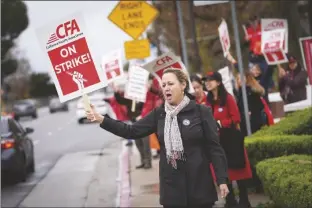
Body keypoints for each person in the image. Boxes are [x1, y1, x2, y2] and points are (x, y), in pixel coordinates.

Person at [86, 68, 229, 208]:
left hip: (200, 187)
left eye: (171, 84)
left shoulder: (201, 112)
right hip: (172, 191)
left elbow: (214, 148)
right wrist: (101, 119)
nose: (166, 88)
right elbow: (131, 131)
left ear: (183, 85)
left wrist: (222, 179)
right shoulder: (159, 115)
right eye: (164, 85)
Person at [203, 71, 253, 208]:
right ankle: (230, 201)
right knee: (224, 171)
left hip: (231, 139)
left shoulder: (228, 98)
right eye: (206, 80)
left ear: (218, 82)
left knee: (238, 169)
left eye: (210, 80)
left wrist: (220, 123)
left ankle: (244, 200)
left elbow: (236, 118)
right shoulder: (207, 101)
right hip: (217, 142)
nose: (207, 83)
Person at [111, 84, 152, 169]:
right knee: (138, 144)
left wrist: (142, 115)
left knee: (145, 144)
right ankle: (143, 161)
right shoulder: (130, 100)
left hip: (144, 124)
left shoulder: (144, 98)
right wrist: (116, 92)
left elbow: (149, 107)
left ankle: (148, 162)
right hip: (134, 124)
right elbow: (120, 101)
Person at [235, 72, 266, 137]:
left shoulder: (251, 92)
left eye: (241, 78)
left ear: (247, 79)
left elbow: (259, 106)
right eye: (238, 79)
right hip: (244, 123)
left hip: (253, 122)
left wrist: (250, 112)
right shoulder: (239, 93)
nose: (239, 80)